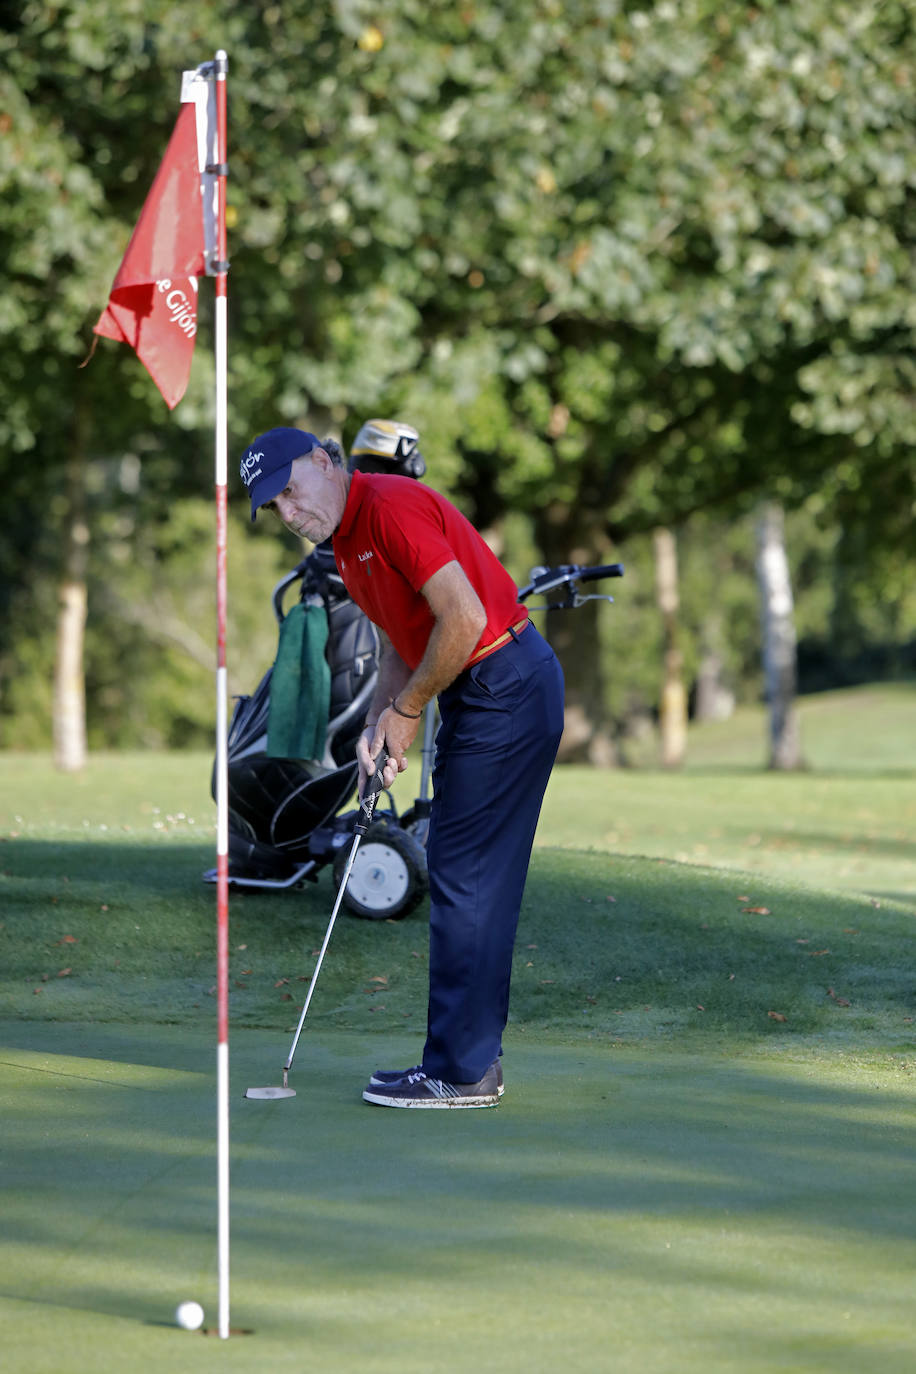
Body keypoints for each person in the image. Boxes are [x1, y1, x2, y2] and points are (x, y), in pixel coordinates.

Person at [240, 425, 565, 1108]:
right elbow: (402, 639)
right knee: (462, 872)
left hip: (503, 681)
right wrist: (379, 724)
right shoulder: (346, 545)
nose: (291, 514)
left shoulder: (387, 507)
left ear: (326, 463)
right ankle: (469, 1062)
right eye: (277, 509)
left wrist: (410, 711)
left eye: (292, 491)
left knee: (466, 879)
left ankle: (460, 1071)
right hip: (483, 689)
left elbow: (464, 617)